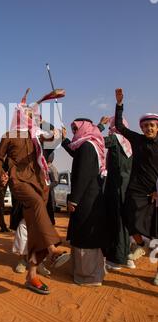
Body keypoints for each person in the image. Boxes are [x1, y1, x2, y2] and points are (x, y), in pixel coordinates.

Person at [0, 88, 69, 295]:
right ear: (19, 115)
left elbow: (48, 138)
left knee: (35, 229)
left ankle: (31, 276)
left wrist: (56, 135)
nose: (31, 116)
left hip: (39, 183)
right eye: (27, 113)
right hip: (19, 182)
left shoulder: (35, 136)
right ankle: (53, 250)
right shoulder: (9, 135)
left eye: (32, 115)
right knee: (36, 205)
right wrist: (0, 173)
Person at [115, 88, 158, 285]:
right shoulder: (138, 140)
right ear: (141, 128)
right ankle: (140, 245)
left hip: (155, 191)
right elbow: (119, 126)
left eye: (152, 125)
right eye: (146, 125)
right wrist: (120, 105)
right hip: (136, 189)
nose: (149, 128)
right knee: (127, 216)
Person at [62, 119, 108, 286]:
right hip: (90, 197)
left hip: (86, 199)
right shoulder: (89, 145)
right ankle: (85, 272)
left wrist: (74, 200)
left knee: (85, 235)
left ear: (85, 128)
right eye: (73, 129)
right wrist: (64, 139)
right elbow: (75, 154)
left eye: (76, 128)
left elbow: (83, 176)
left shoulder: (87, 147)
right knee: (84, 234)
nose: (74, 131)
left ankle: (87, 276)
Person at [97, 116, 134, 270]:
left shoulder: (115, 139)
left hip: (115, 188)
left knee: (115, 221)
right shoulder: (130, 143)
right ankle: (127, 257)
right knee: (125, 223)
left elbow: (96, 141)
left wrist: (99, 126)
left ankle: (116, 260)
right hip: (127, 188)